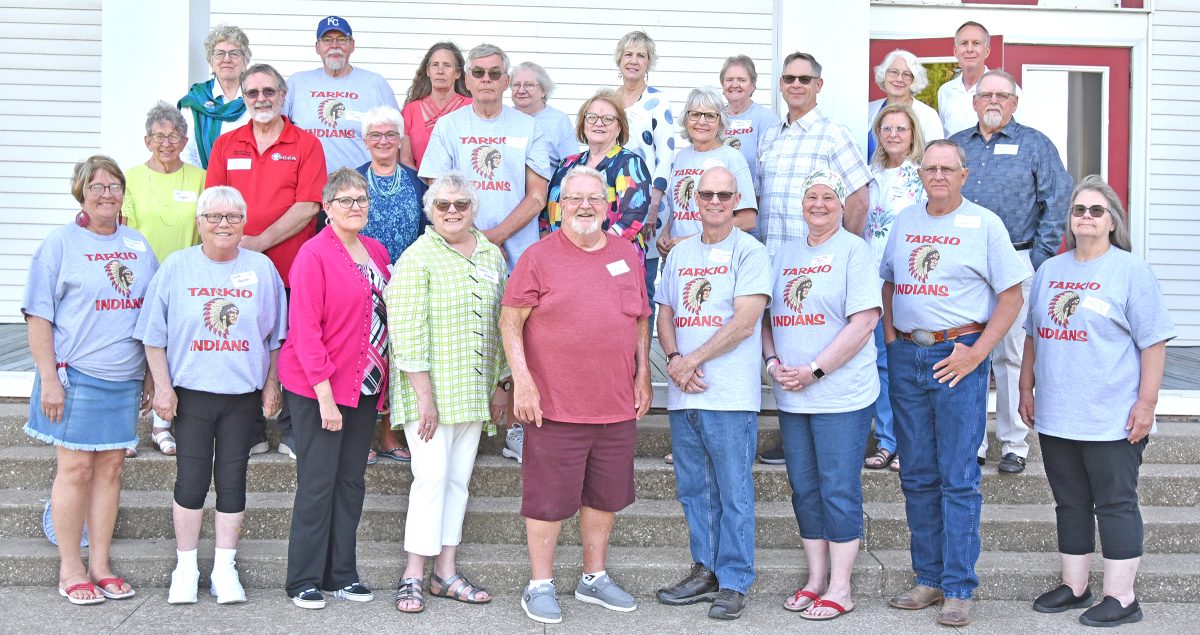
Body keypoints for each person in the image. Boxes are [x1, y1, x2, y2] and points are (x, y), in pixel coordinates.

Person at [881, 140, 1029, 627]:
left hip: (957, 357)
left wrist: (978, 352)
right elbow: (889, 282)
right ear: (920, 174)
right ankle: (928, 578)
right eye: (931, 168)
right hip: (908, 354)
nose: (939, 175)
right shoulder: (905, 221)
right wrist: (891, 339)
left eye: (948, 168)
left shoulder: (984, 224)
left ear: (964, 175)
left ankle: (959, 587)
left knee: (958, 476)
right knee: (916, 474)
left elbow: (1012, 296)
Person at [1019, 176, 1174, 627]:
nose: (1085, 217)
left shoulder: (1130, 271)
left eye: (1095, 210)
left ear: (1111, 222)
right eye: (1078, 210)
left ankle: (1122, 598)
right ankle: (1075, 586)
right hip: (1058, 414)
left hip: (1111, 416)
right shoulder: (1049, 271)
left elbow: (1154, 342)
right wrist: (1026, 388)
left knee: (1115, 503)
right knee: (1069, 502)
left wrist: (1146, 403)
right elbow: (1032, 336)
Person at [500, 166, 651, 625]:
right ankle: (539, 584)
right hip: (555, 405)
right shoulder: (538, 256)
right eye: (575, 199)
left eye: (594, 199)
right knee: (547, 500)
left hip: (614, 403)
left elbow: (640, 318)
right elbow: (510, 321)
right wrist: (522, 381)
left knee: (605, 496)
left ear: (608, 206)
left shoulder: (627, 254)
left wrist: (644, 374)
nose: (585, 206)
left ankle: (593, 577)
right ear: (560, 206)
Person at [133, 185, 287, 605]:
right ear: (199, 222)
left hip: (241, 395)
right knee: (192, 480)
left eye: (233, 217)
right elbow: (153, 334)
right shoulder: (177, 266)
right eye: (214, 216)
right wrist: (163, 387)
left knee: (233, 480)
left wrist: (271, 383)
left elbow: (275, 337)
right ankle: (185, 567)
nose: (224, 224)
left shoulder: (261, 268)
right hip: (192, 395)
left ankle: (224, 567)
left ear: (244, 223)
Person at [23, 155, 158, 605]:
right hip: (75, 376)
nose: (107, 194)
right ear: (81, 192)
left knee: (111, 469)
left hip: (124, 377)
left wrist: (151, 375)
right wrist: (49, 379)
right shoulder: (60, 243)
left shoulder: (138, 245)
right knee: (76, 469)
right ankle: (70, 569)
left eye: (114, 186)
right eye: (97, 186)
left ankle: (100, 565)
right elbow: (38, 315)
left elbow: (152, 316)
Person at [387, 172, 510, 613]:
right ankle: (412, 574)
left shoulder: (491, 255)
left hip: (473, 391)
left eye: (461, 204)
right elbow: (405, 330)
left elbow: (502, 323)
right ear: (431, 212)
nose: (452, 211)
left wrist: (502, 383)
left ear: (474, 209)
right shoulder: (418, 257)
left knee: (458, 481)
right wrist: (424, 396)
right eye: (443, 205)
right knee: (432, 478)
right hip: (430, 393)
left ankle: (445, 572)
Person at [654, 167, 771, 621]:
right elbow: (665, 311)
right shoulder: (680, 254)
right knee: (694, 490)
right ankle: (705, 570)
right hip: (685, 395)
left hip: (729, 396)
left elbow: (744, 323)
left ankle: (735, 580)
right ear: (695, 199)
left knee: (733, 491)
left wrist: (691, 361)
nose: (716, 201)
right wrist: (673, 358)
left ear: (737, 199)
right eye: (707, 194)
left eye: (724, 194)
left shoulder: (750, 252)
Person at [763, 170, 881, 621]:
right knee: (804, 488)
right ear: (801, 204)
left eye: (828, 197)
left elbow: (864, 322)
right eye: (811, 196)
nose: (818, 204)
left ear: (841, 204)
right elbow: (766, 316)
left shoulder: (855, 251)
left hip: (841, 396)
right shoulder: (784, 255)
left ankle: (841, 587)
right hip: (793, 396)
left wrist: (815, 370)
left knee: (837, 487)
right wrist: (773, 363)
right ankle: (815, 580)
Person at [950, 68, 1073, 473]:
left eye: (1002, 95)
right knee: (967, 349)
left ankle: (1014, 444)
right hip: (964, 264)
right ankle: (972, 441)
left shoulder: (1036, 144)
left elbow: (1058, 201)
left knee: (1012, 354)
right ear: (975, 101)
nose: (993, 101)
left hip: (1018, 260)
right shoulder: (956, 146)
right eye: (986, 94)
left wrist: (1038, 258)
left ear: (1014, 103)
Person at [279, 168, 391, 610]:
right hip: (319, 387)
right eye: (345, 200)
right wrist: (325, 397)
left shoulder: (376, 251)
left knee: (351, 482)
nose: (355, 206)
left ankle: (341, 573)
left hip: (364, 386)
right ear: (326, 207)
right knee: (318, 482)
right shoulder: (313, 254)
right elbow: (305, 330)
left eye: (361, 199)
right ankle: (303, 579)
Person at [755, 51, 872, 465]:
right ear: (781, 85)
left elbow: (859, 196)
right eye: (789, 78)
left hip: (820, 267)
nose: (796, 85)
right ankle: (790, 435)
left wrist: (839, 251)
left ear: (818, 85)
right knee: (782, 349)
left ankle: (824, 441)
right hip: (777, 266)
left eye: (805, 79)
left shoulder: (834, 134)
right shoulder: (770, 137)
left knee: (819, 352)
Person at [205, 62, 327, 457]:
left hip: (292, 268)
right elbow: (214, 206)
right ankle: (250, 431)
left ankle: (291, 431)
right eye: (253, 93)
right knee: (242, 343)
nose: (261, 99)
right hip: (236, 270)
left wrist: (258, 243)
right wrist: (238, 248)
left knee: (294, 346)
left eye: (269, 91)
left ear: (282, 95)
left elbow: (308, 206)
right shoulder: (227, 145)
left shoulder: (306, 144)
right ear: (243, 98)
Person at [122, 102, 208, 457]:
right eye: (159, 136)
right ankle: (126, 428)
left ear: (185, 140)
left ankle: (162, 425)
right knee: (132, 353)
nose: (166, 143)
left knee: (172, 351)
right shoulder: (129, 178)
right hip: (140, 278)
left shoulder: (201, 178)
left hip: (183, 277)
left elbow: (206, 229)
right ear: (147, 141)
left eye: (174, 136)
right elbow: (122, 230)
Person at [419, 43, 551, 271]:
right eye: (478, 72)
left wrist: (497, 236)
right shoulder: (448, 126)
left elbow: (538, 196)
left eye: (495, 73)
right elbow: (438, 191)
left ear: (506, 81)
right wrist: (476, 239)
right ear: (467, 80)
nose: (486, 79)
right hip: (460, 250)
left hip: (519, 256)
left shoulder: (530, 128)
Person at [353, 105, 428, 464]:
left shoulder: (417, 183)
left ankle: (388, 433)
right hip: (358, 282)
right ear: (365, 140)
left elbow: (427, 233)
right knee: (359, 355)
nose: (383, 141)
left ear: (400, 140)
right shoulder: (352, 181)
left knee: (394, 357)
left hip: (405, 284)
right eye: (375, 135)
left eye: (390, 135)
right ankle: (360, 436)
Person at [862, 104, 927, 473]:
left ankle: (909, 444)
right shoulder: (868, 176)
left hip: (906, 283)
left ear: (912, 133)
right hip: (869, 282)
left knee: (906, 365)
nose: (893, 135)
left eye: (901, 128)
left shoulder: (921, 177)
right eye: (887, 128)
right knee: (880, 364)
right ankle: (887, 441)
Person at [283, 16, 402, 171]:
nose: (335, 45)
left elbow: (398, 135)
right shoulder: (296, 83)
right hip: (308, 181)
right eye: (327, 40)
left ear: (352, 45)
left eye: (341, 39)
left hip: (360, 182)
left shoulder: (375, 83)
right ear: (317, 47)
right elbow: (277, 131)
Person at [614, 30, 675, 321]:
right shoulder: (608, 100)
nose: (634, 60)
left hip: (648, 204)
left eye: (641, 55)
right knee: (611, 279)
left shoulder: (657, 101)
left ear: (649, 62)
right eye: (628, 54)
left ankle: (643, 350)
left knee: (643, 284)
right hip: (612, 203)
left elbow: (666, 154)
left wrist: (653, 204)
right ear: (619, 59)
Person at [657, 87, 756, 253]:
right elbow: (677, 211)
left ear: (720, 122)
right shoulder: (681, 157)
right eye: (695, 114)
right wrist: (665, 233)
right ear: (686, 119)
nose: (701, 122)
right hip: (678, 254)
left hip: (714, 255)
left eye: (710, 116)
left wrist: (692, 240)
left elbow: (748, 220)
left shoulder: (732, 158)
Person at [178, 24, 252, 169]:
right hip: (206, 180)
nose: (227, 59)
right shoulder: (196, 101)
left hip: (251, 180)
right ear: (211, 62)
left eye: (234, 53)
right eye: (219, 54)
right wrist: (207, 180)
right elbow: (187, 153)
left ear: (245, 62)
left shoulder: (257, 97)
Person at [936, 21, 1022, 137]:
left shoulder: (1008, 89)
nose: (969, 49)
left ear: (987, 50)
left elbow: (1021, 133)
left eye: (976, 43)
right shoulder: (945, 91)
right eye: (964, 43)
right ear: (956, 51)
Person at [400, 42, 472, 170]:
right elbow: (406, 160)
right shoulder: (411, 110)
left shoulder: (472, 107)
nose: (440, 71)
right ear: (428, 71)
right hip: (421, 182)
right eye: (435, 65)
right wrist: (427, 181)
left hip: (464, 182)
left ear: (458, 73)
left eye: (447, 65)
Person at [866, 50, 943, 158]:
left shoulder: (928, 115)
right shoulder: (869, 110)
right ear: (884, 75)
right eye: (894, 72)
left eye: (906, 74)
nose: (899, 79)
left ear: (914, 80)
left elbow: (937, 157)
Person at [720, 55, 779, 189]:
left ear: (753, 86)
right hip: (718, 196)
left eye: (742, 80)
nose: (735, 84)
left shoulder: (766, 119)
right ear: (723, 85)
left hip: (752, 197)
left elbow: (772, 168)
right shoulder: (714, 117)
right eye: (729, 79)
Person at [510, 62, 577, 170]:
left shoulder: (559, 121)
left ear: (544, 91)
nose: (521, 91)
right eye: (516, 85)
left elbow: (571, 167)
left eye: (529, 85)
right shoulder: (503, 118)